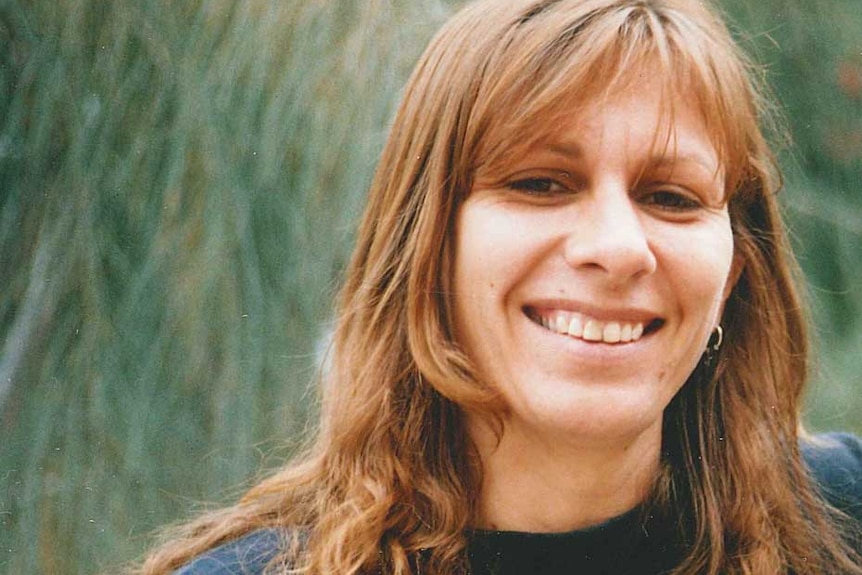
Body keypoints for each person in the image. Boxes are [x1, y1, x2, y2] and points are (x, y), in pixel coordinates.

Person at [138, 0, 862, 573]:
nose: (616, 248)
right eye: (540, 183)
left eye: (670, 196)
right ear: (426, 244)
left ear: (735, 267)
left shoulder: (839, 522)